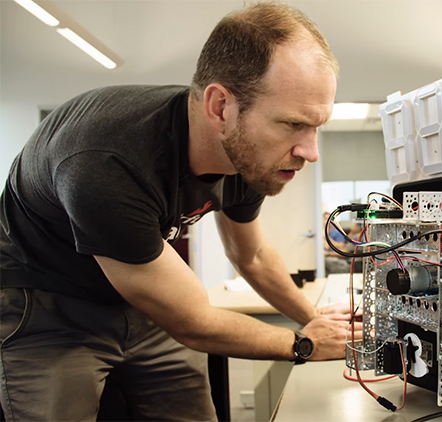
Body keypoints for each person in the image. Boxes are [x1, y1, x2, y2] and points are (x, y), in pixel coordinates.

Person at [0, 3, 360, 421]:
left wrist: (316, 320)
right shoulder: (106, 160)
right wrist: (304, 344)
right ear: (221, 107)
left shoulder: (245, 156)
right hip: (45, 302)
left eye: (316, 127)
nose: (310, 152)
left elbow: (253, 257)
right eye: (292, 125)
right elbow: (193, 321)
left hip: (140, 299)